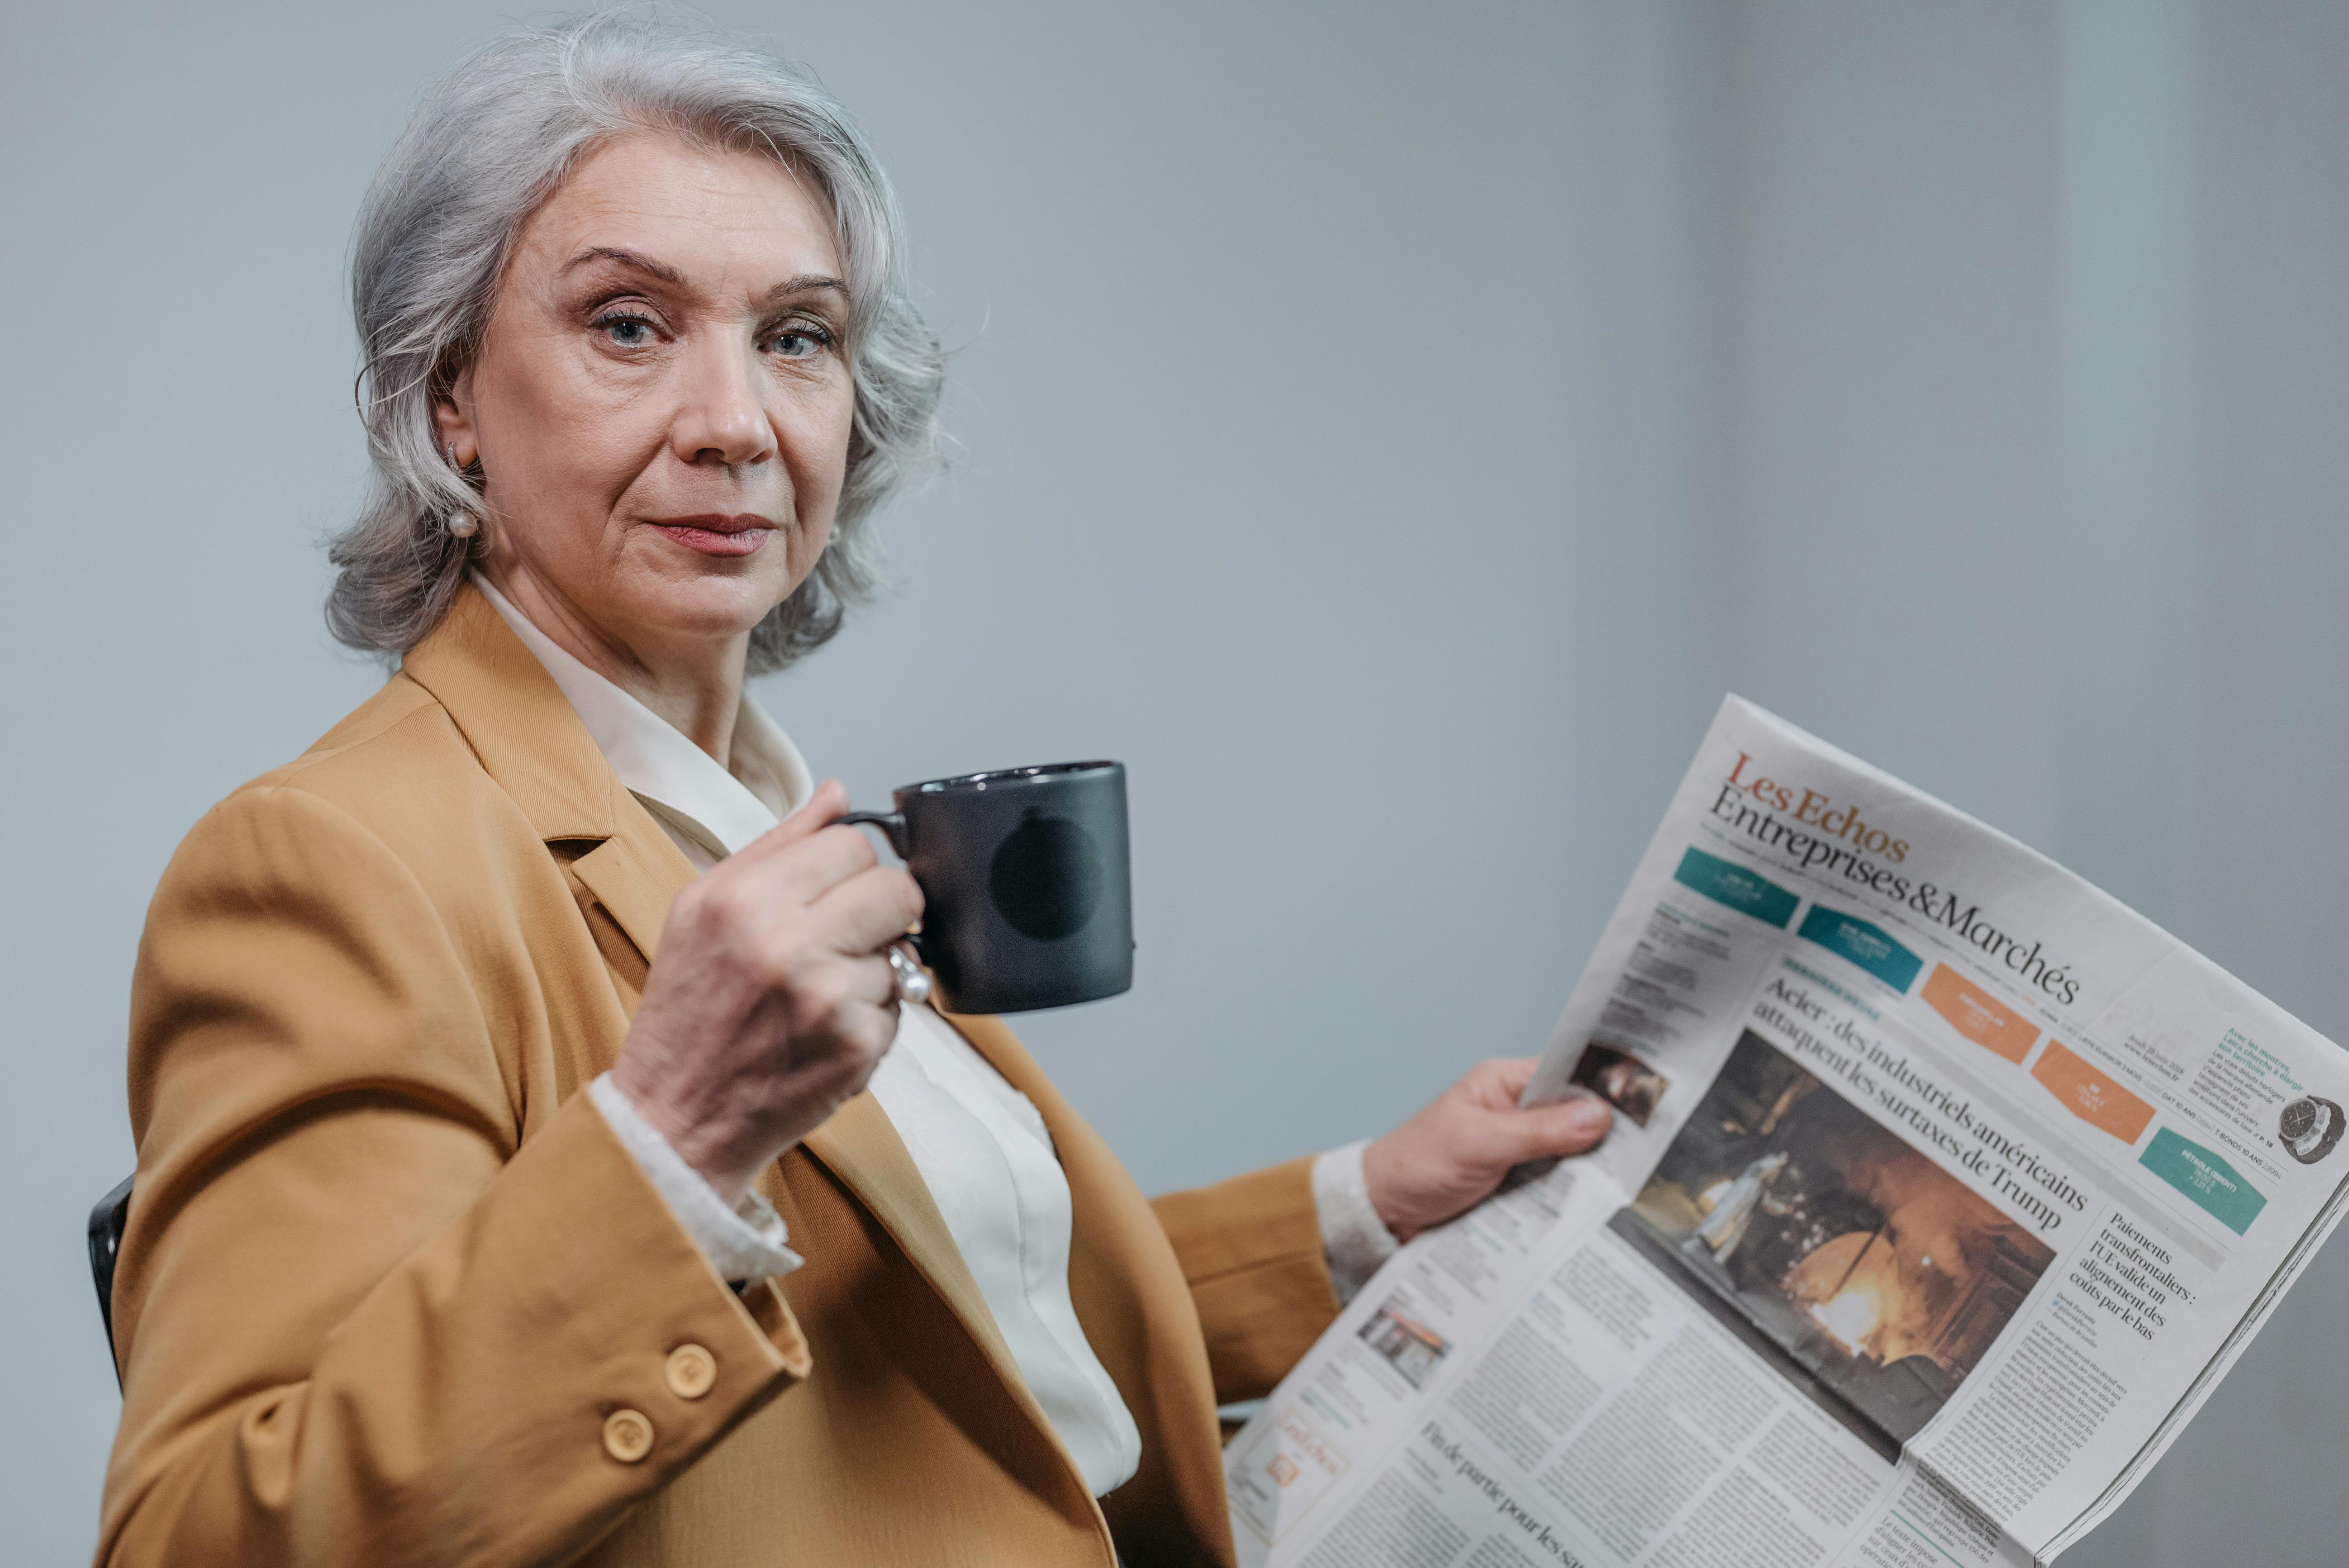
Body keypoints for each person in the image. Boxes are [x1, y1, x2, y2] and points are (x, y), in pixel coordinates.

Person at [94, 16, 1611, 1567]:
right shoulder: (337, 862)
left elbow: (939, 1327)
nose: (737, 422)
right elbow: (203, 1536)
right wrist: (671, 1137)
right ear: (448, 400)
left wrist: (1364, 1212)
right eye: (629, 324)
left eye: (798, 336)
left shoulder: (760, 818)